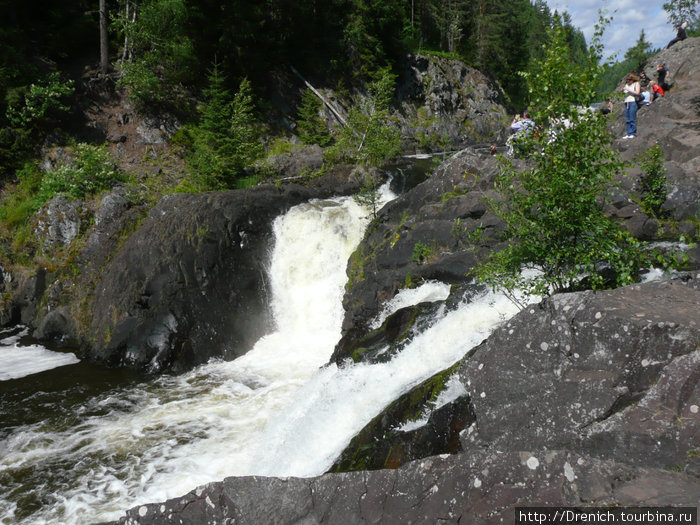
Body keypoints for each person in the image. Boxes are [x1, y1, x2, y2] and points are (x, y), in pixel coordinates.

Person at [621, 73, 640, 139]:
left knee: (632, 118)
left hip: (632, 101)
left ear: (632, 79)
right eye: (627, 80)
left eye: (629, 80)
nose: (628, 81)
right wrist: (623, 91)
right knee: (627, 119)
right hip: (627, 102)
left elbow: (637, 92)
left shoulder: (636, 84)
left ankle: (633, 133)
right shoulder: (627, 85)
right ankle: (629, 133)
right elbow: (624, 93)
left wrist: (629, 89)